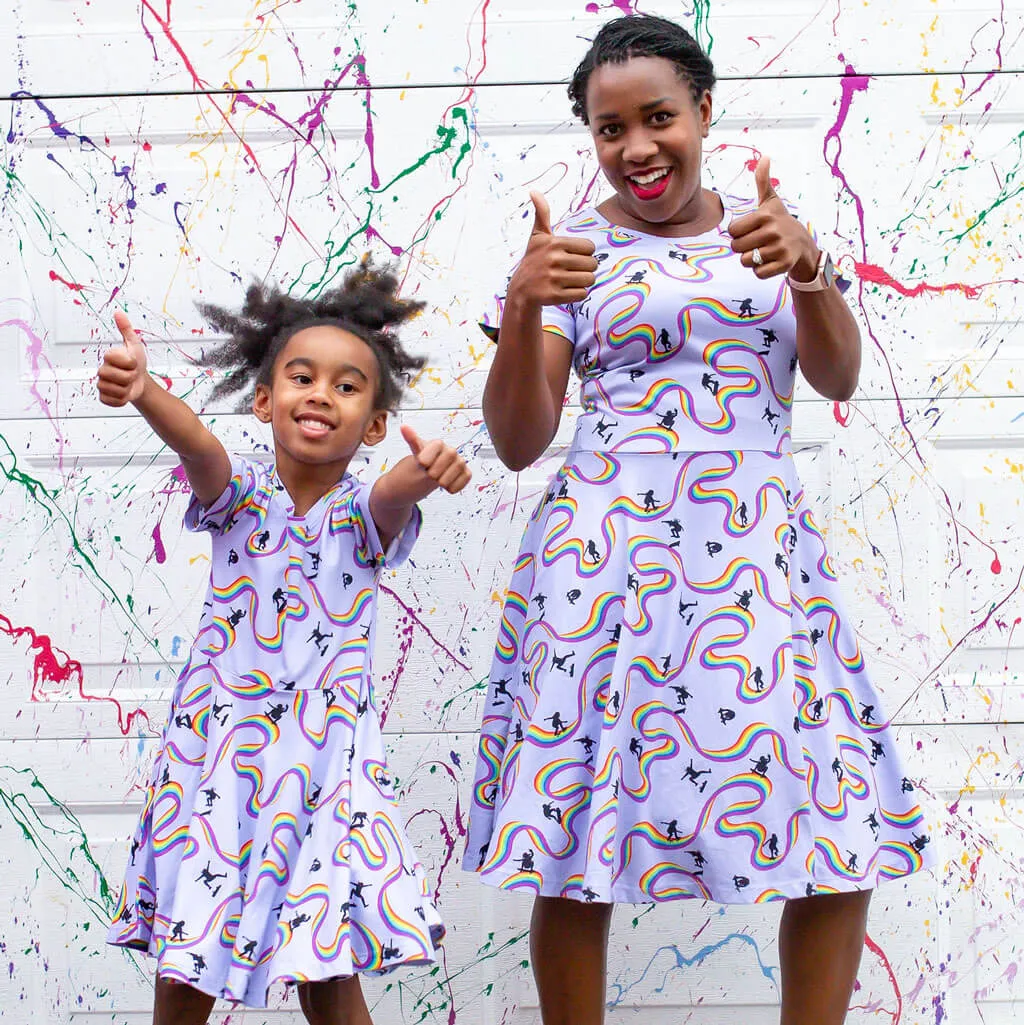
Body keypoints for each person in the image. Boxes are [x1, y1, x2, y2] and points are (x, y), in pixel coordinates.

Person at [463, 14, 933, 1025]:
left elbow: (837, 374)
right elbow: (517, 439)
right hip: (603, 562)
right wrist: (518, 304)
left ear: (704, 112)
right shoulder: (568, 252)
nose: (635, 145)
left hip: (756, 561)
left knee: (836, 825)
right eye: (608, 126)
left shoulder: (768, 228)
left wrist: (808, 269)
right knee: (574, 840)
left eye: (658, 117)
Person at [102, 259, 470, 1020]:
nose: (320, 395)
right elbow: (199, 446)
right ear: (267, 400)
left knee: (327, 967)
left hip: (323, 769)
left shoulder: (363, 513)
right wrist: (144, 393)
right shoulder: (236, 495)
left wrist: (423, 470)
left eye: (346, 386)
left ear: (372, 423)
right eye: (302, 377)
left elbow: (393, 491)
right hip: (220, 764)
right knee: (188, 961)